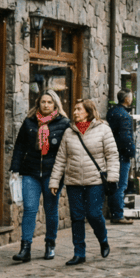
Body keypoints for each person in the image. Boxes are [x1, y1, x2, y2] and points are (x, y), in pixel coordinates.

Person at [49, 99, 120, 266]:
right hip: (73, 182)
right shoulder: (69, 132)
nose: (75, 112)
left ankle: (103, 240)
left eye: (79, 109)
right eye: (74, 109)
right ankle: (79, 253)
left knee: (94, 214)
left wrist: (112, 177)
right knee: (77, 217)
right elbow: (60, 159)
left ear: (88, 111)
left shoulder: (103, 130)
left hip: (95, 181)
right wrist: (54, 181)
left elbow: (112, 155)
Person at [9, 90, 69, 263]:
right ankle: (25, 248)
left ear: (55, 105)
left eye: (50, 102)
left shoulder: (64, 123)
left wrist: (62, 174)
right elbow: (20, 146)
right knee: (29, 209)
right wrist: (15, 169)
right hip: (31, 172)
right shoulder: (29, 122)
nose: (46, 105)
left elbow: (67, 151)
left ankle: (50, 244)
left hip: (52, 173)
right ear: (38, 103)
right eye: (43, 102)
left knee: (51, 209)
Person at [105, 90, 136, 224]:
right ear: (127, 99)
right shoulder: (125, 116)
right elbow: (126, 138)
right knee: (120, 185)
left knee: (113, 183)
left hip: (110, 152)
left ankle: (114, 212)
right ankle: (118, 214)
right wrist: (131, 153)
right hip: (121, 154)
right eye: (131, 97)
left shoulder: (111, 112)